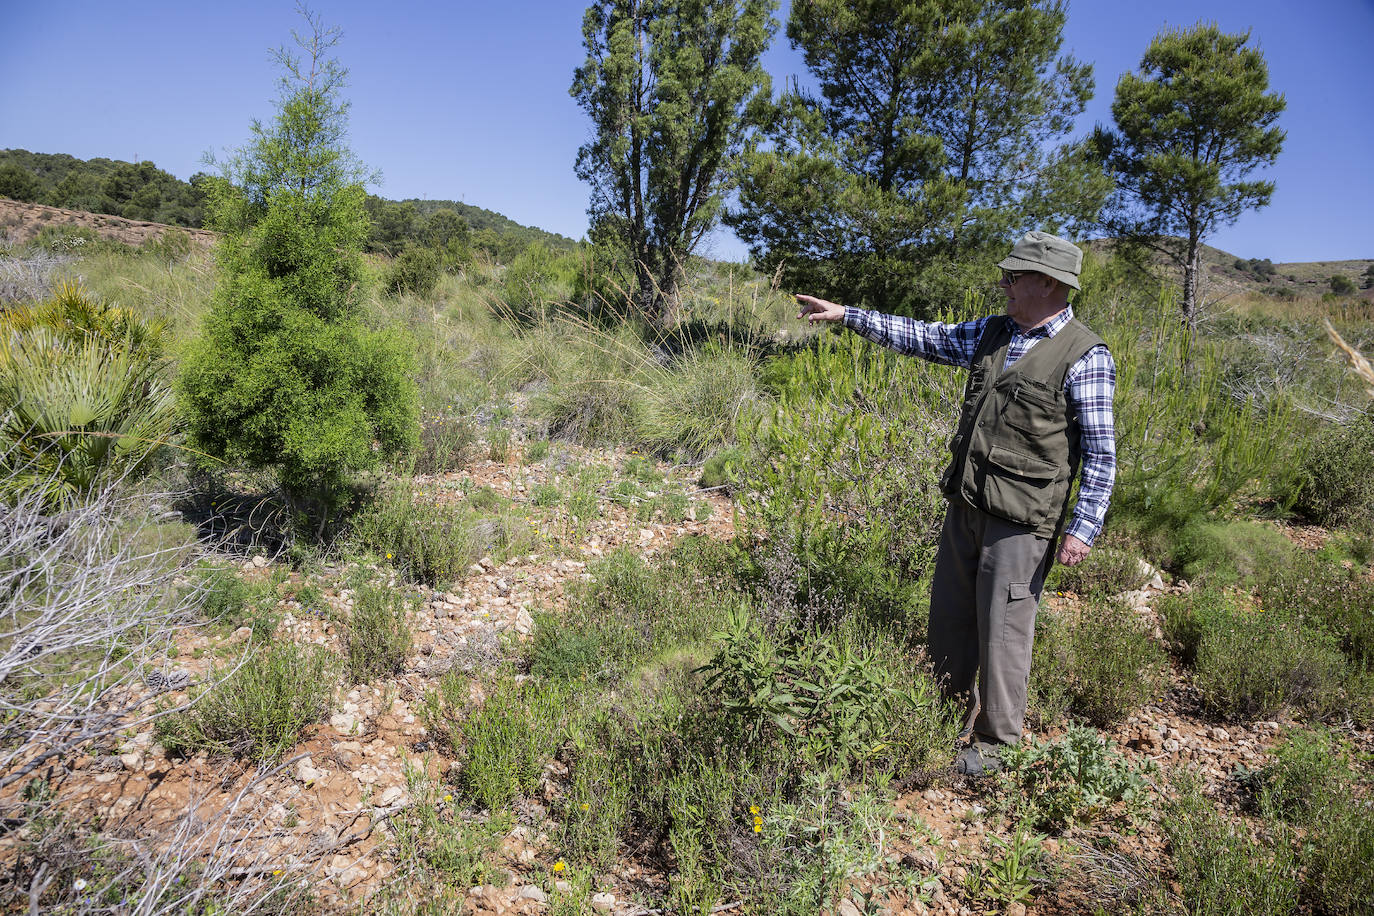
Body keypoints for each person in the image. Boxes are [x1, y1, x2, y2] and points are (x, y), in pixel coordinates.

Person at [795, 231, 1117, 776]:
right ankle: (941, 719)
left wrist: (1083, 529)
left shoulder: (1086, 355)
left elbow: (1102, 453)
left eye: (1015, 276)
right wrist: (846, 313)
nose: (1005, 284)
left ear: (1050, 284)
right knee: (948, 622)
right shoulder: (994, 334)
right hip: (966, 506)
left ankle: (995, 746)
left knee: (1005, 632)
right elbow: (923, 336)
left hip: (1021, 525)